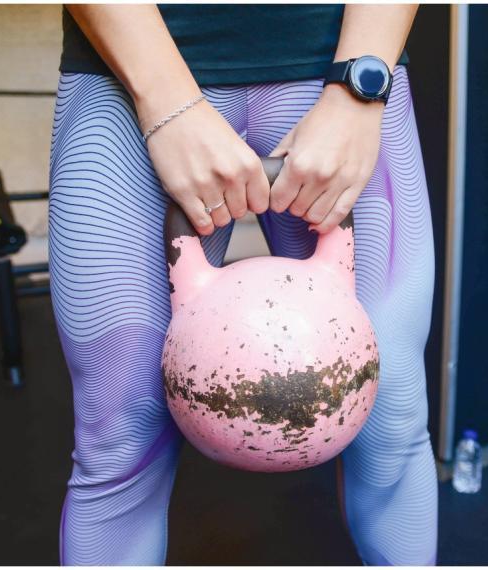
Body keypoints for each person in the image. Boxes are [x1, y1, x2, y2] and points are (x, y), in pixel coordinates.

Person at [49, 3, 438, 565]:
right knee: (119, 442)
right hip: (126, 75)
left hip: (338, 71)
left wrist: (359, 88)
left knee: (391, 424)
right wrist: (166, 103)